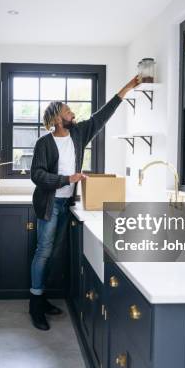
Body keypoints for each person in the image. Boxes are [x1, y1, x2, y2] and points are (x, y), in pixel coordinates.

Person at [28, 76, 141, 330]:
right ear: (58, 118)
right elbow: (37, 175)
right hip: (49, 205)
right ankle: (35, 305)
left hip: (66, 204)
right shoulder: (44, 143)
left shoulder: (78, 134)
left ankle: (41, 298)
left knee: (53, 254)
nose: (72, 113)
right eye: (68, 111)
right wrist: (67, 178)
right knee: (43, 252)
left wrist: (127, 87)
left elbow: (102, 116)